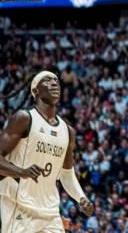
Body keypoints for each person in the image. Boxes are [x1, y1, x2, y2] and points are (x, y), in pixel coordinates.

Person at [0, 71, 94, 233]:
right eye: (47, 80)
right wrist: (21, 172)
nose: (54, 83)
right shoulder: (24, 118)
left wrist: (81, 197)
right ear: (35, 91)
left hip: (50, 212)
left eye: (56, 80)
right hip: (18, 205)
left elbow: (66, 174)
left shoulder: (67, 131)